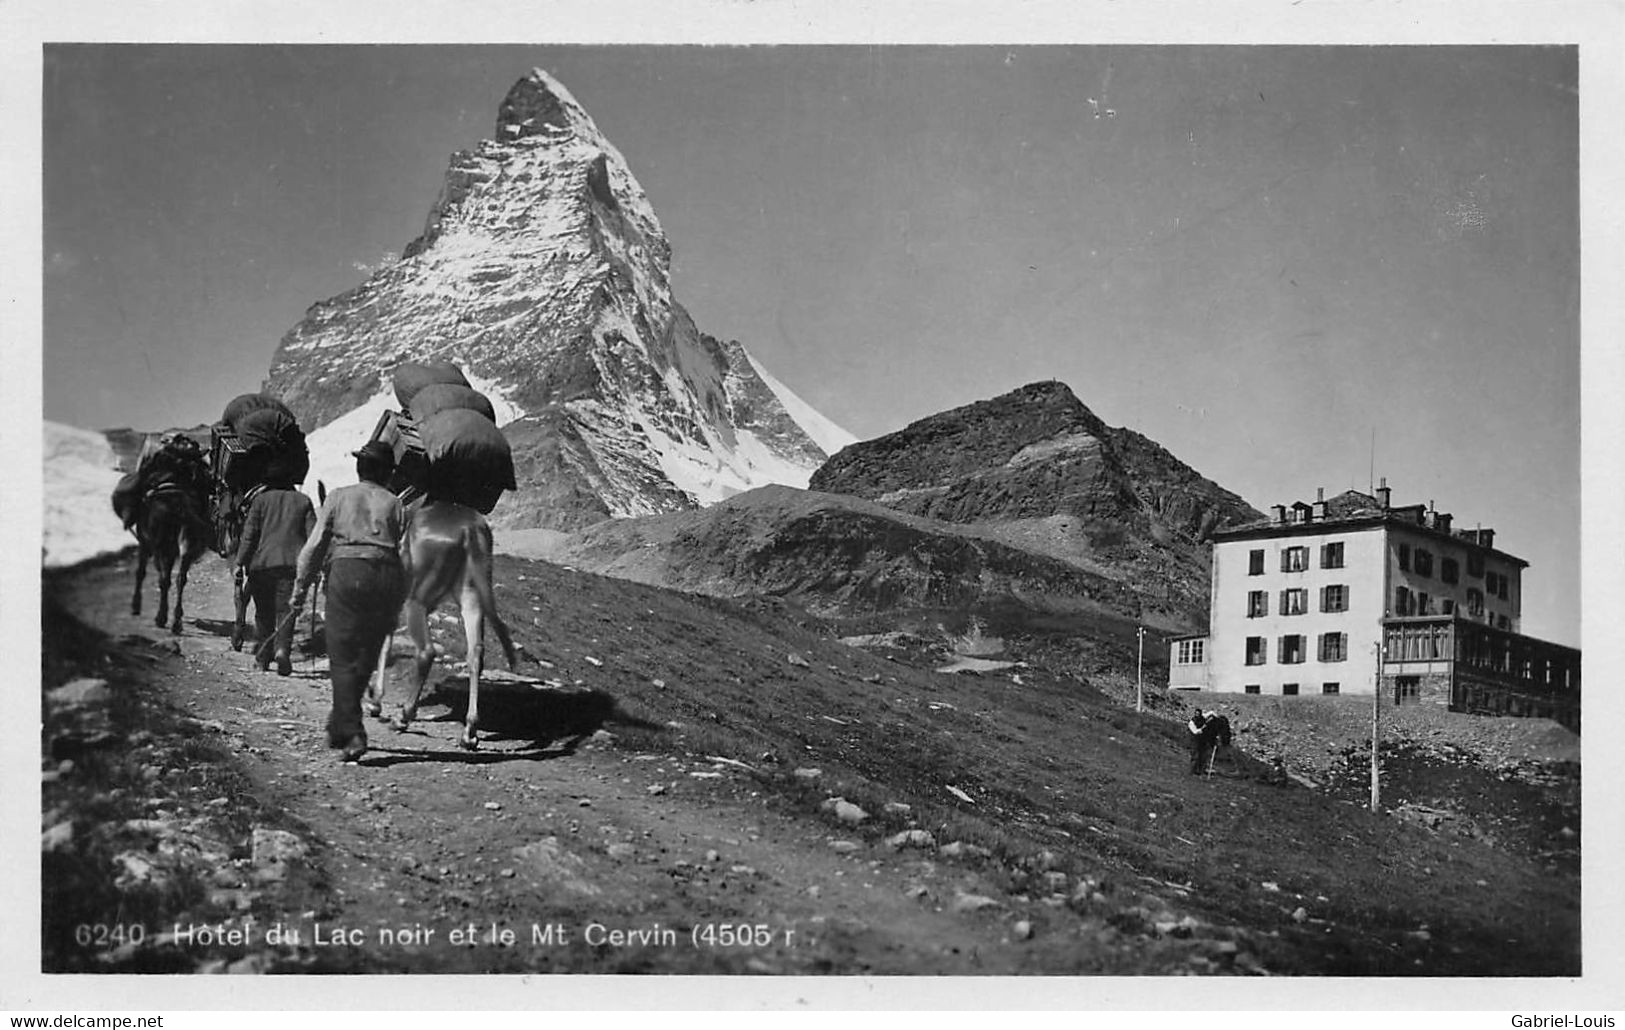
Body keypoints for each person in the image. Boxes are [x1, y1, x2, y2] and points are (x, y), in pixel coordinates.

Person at [293, 440, 407, 762]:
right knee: (367, 654)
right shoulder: (396, 504)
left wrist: (299, 590)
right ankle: (339, 722)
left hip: (347, 573)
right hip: (386, 576)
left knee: (342, 654)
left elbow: (314, 547)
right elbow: (405, 553)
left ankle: (354, 732)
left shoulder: (338, 497)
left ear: (360, 468)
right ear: (387, 474)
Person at [235, 479, 317, 675]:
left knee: (263, 613)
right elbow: (313, 536)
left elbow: (249, 535)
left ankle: (263, 657)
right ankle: (282, 650)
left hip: (262, 565)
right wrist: (315, 567)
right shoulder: (303, 501)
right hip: (291, 566)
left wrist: (240, 562)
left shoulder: (260, 500)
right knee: (285, 611)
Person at [1188, 709, 1217, 775]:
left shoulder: (1203, 717)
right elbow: (1195, 732)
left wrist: (1215, 718)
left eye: (1199, 714)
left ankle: (1201, 770)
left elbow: (1211, 712)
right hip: (1195, 740)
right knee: (1195, 755)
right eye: (1197, 714)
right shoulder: (1192, 723)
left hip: (1203, 740)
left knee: (1203, 755)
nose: (1198, 716)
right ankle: (1192, 771)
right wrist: (1201, 729)